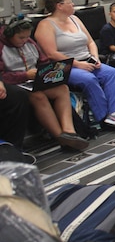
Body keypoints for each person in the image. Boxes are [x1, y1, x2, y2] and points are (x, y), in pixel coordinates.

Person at [35, 0, 115, 129]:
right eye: (70, 2)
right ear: (60, 6)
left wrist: (94, 57)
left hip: (86, 60)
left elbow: (91, 42)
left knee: (112, 73)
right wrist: (78, 64)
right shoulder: (46, 25)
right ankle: (103, 117)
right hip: (64, 66)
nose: (73, 4)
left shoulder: (75, 19)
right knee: (88, 79)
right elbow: (51, 54)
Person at [0, 16, 88, 151]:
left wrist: (47, 73)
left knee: (62, 88)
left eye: (26, 37)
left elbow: (43, 62)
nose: (24, 41)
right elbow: (2, 76)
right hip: (16, 84)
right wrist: (24, 75)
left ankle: (69, 132)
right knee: (38, 96)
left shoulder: (30, 43)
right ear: (10, 35)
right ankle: (60, 136)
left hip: (34, 80)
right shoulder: (2, 47)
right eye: (20, 38)